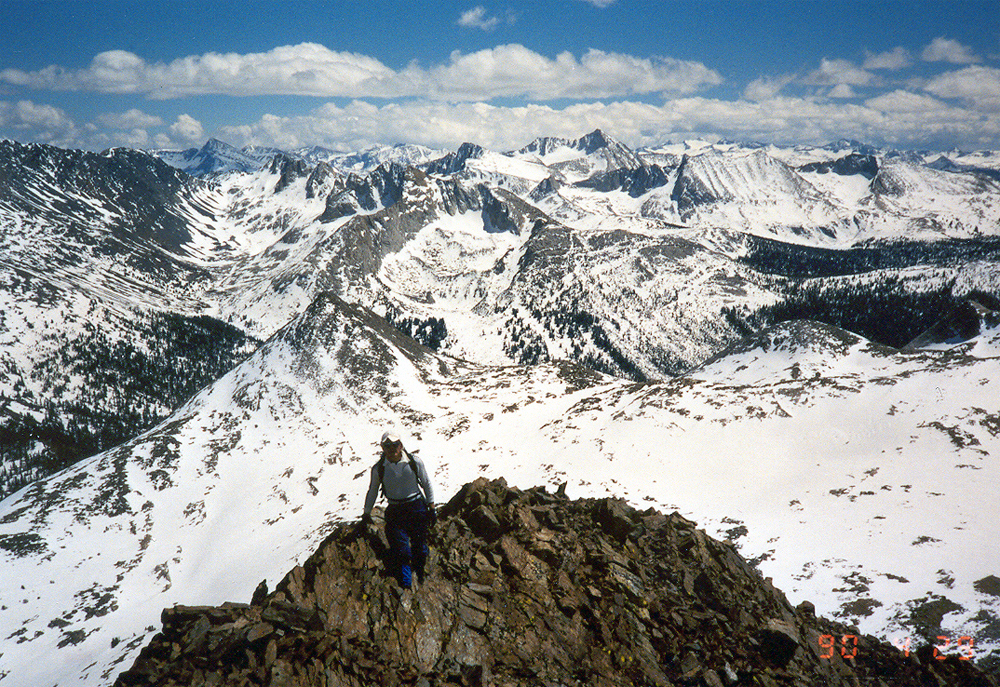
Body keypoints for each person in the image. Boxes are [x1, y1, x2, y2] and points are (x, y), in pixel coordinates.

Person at [362, 431, 436, 589]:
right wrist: (366, 513)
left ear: (401, 445)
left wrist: (431, 506)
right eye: (387, 445)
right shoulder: (379, 469)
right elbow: (373, 490)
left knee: (420, 545)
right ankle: (407, 582)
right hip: (397, 510)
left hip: (416, 507)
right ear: (382, 448)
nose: (392, 448)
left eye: (395, 445)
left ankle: (420, 570)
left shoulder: (414, 462)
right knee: (402, 550)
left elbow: (426, 482)